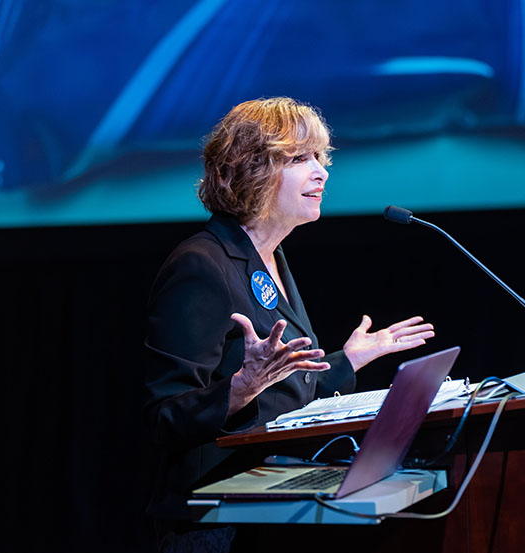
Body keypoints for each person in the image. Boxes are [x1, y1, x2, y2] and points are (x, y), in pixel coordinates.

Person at [143, 97, 434, 551]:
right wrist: (241, 387)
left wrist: (349, 360)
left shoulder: (271, 255)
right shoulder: (201, 265)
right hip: (213, 526)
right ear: (248, 170)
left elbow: (283, 392)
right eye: (299, 158)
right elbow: (162, 417)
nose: (321, 172)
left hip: (270, 510)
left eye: (320, 157)